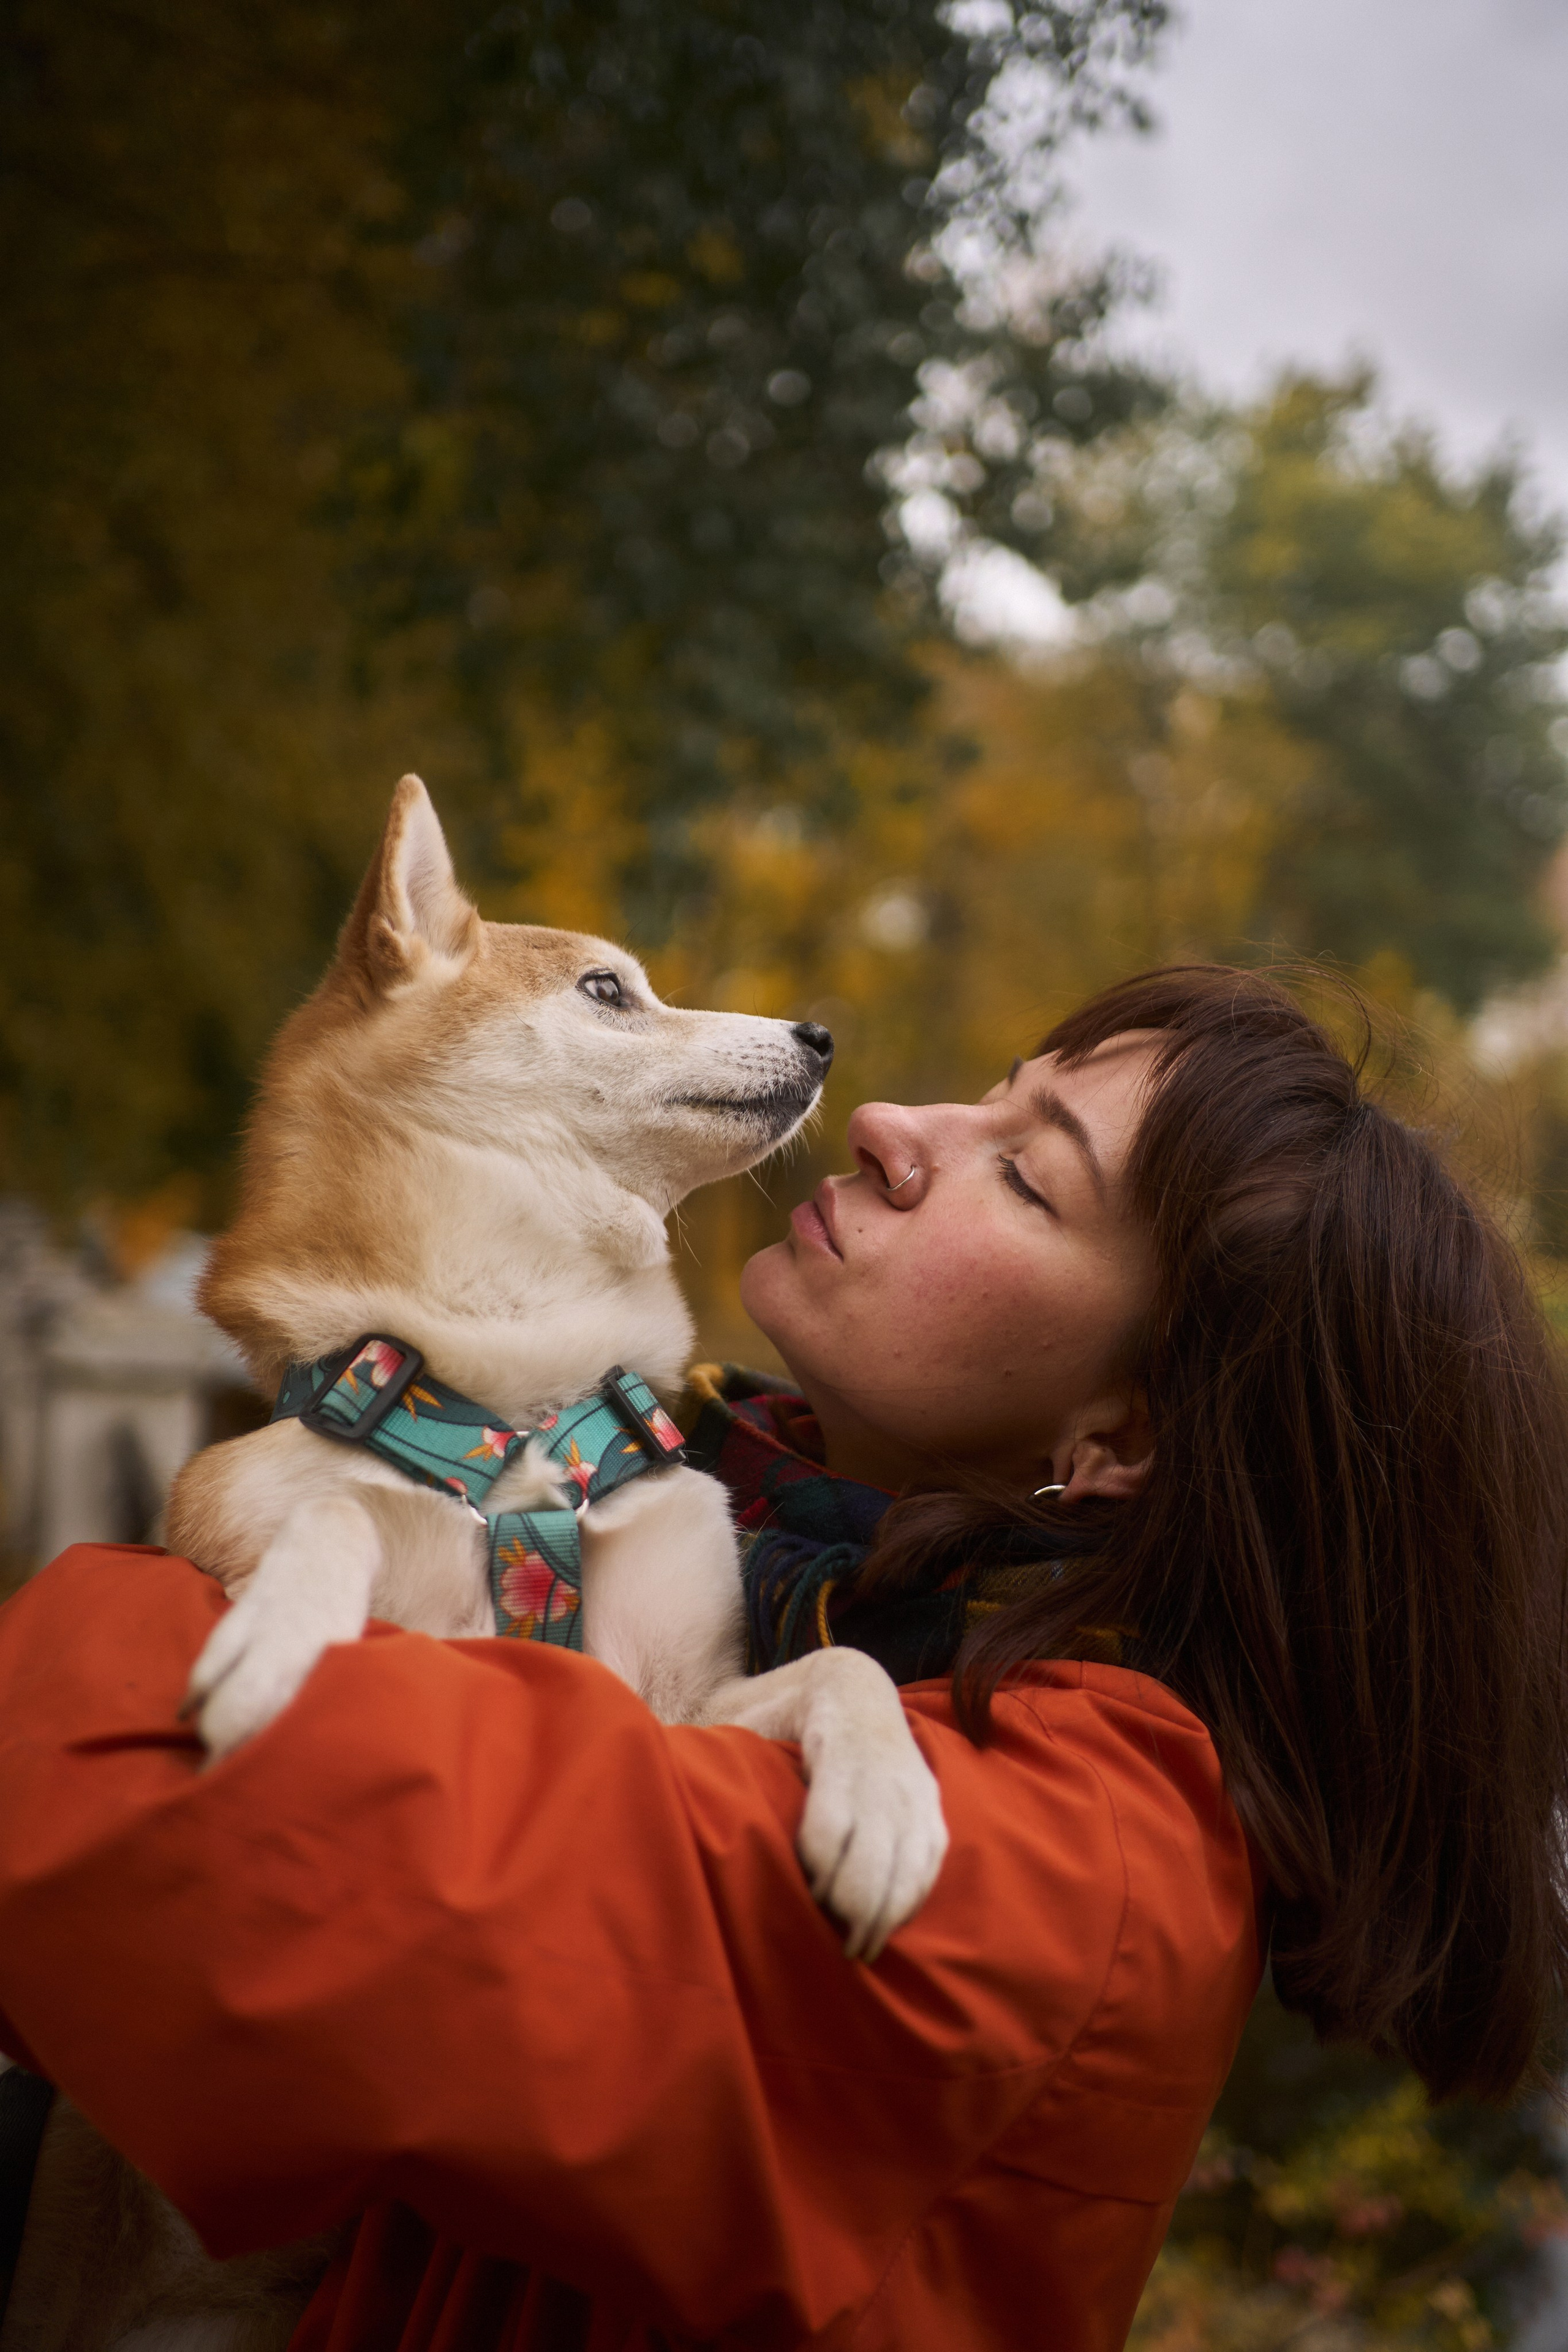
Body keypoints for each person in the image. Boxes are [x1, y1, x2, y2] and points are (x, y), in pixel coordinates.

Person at [0, 963, 1562, 2352]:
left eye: (1023, 1176)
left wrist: (176, 1592)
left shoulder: (1077, 1860)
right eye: (990, 1090)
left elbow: (211, 1862)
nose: (887, 1117)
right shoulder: (668, 1494)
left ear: (1121, 1438)